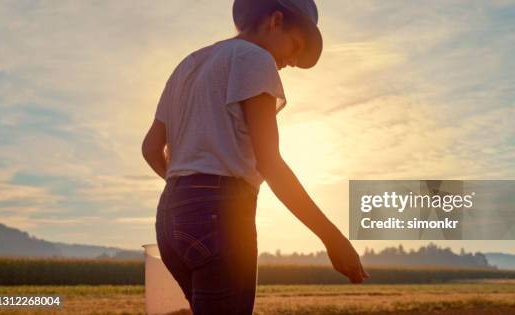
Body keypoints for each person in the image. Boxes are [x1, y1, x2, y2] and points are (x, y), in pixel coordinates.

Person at [141, 0, 369, 313]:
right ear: (275, 20)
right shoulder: (254, 58)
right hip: (221, 215)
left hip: (169, 218)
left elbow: (151, 148)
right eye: (295, 46)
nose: (291, 61)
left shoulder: (188, 65)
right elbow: (270, 162)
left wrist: (188, 190)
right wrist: (332, 239)